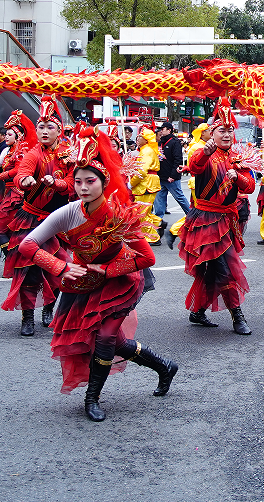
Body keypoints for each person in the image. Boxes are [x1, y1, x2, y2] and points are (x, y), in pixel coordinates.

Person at [14, 125, 178, 422]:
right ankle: (163, 366)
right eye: (78, 182)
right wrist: (61, 266)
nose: (83, 187)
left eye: (90, 181)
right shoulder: (67, 213)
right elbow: (27, 245)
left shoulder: (119, 213)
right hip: (83, 284)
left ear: (104, 182)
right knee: (110, 341)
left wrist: (106, 268)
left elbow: (147, 257)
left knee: (103, 337)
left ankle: (92, 398)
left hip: (121, 281)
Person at [176, 98, 256, 334]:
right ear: (212, 133)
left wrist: (237, 177)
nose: (228, 134)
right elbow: (195, 166)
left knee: (212, 269)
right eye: (222, 130)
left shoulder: (237, 157)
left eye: (231, 130)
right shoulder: (203, 153)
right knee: (226, 268)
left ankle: (197, 311)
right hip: (206, 220)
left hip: (227, 220)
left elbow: (250, 186)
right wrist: (206, 151)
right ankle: (237, 316)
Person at [4, 96, 73, 336]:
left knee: (60, 269)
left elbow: (74, 184)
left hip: (59, 220)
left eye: (49, 126)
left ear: (59, 130)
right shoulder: (33, 153)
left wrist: (59, 183)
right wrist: (24, 180)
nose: (44, 131)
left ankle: (49, 308)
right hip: (31, 220)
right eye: (40, 127)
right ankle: (27, 317)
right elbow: (22, 171)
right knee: (29, 272)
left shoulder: (68, 155)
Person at [0, 110, 37, 250]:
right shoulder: (8, 151)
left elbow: (18, 170)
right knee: (7, 231)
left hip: (17, 194)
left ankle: (14, 258)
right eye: (5, 134)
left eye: (9, 134)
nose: (5, 136)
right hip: (7, 193)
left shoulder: (22, 152)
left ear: (18, 136)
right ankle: (14, 260)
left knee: (3, 231)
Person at [162, 123, 207, 250]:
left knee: (199, 210)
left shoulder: (203, 145)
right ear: (202, 133)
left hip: (204, 181)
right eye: (209, 130)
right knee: (199, 211)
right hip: (199, 181)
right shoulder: (198, 147)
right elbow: (195, 166)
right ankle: (175, 231)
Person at [129, 125, 163, 244]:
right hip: (148, 182)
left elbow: (142, 171)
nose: (137, 140)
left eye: (140, 137)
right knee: (145, 211)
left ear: (146, 139)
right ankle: (158, 223)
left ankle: (152, 237)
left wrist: (131, 183)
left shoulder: (146, 151)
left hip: (145, 184)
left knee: (141, 211)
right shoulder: (146, 150)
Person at [154, 121, 190, 222]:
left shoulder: (175, 142)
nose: (161, 131)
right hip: (161, 175)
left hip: (171, 177)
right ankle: (158, 220)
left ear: (169, 130)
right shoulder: (160, 142)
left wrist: (173, 175)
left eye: (163, 129)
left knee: (179, 197)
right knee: (159, 199)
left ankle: (191, 215)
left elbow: (178, 160)